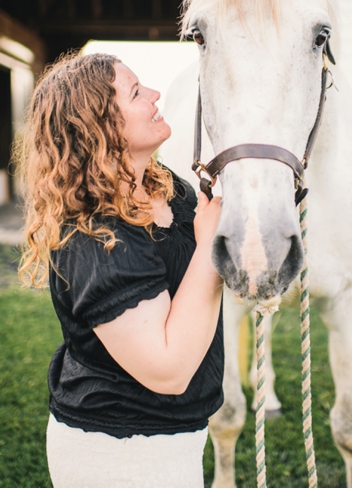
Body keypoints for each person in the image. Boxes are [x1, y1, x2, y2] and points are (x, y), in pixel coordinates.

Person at [15, 52, 224, 488]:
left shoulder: (163, 185)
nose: (154, 95)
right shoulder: (95, 236)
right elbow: (168, 370)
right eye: (135, 92)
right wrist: (211, 246)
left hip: (173, 439)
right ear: (100, 127)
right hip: (121, 453)